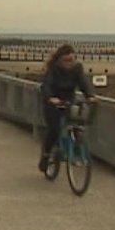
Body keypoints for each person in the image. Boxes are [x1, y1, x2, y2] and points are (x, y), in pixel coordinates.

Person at [38, 44, 96, 172]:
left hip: (69, 101)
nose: (69, 63)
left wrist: (90, 95)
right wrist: (50, 98)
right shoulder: (53, 69)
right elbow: (46, 85)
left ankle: (76, 153)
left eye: (72, 60)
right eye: (66, 60)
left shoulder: (77, 68)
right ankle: (46, 155)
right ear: (60, 60)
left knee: (76, 125)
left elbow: (84, 83)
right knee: (54, 129)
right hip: (52, 102)